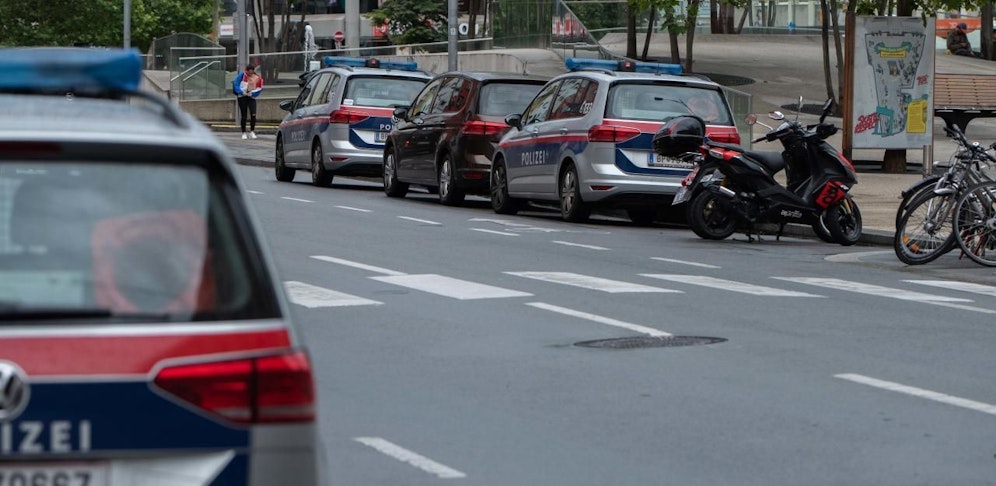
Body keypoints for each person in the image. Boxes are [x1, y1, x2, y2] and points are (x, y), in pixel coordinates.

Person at [232, 64, 263, 140]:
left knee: (253, 114)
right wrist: (242, 92)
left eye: (252, 72)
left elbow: (259, 87)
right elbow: (236, 84)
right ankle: (244, 132)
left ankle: (252, 131)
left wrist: (252, 93)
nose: (250, 74)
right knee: (244, 115)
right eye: (249, 72)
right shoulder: (242, 76)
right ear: (246, 71)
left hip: (251, 97)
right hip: (242, 97)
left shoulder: (257, 77)